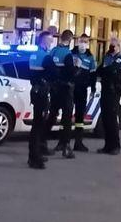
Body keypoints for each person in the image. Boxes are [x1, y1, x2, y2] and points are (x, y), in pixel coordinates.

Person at [95, 35, 121, 155]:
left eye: (113, 44)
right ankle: (107, 145)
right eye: (111, 44)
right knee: (105, 118)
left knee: (113, 119)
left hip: (114, 91)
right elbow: (100, 71)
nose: (111, 46)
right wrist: (105, 70)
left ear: (118, 46)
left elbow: (113, 72)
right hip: (105, 90)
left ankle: (115, 146)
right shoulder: (107, 57)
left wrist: (106, 70)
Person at [27, 30, 55, 170]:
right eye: (50, 40)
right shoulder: (46, 57)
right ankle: (35, 158)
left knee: (36, 125)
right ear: (44, 41)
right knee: (39, 126)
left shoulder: (33, 55)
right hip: (43, 93)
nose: (51, 43)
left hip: (35, 91)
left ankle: (34, 154)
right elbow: (53, 75)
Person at [48, 30, 78, 158]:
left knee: (52, 116)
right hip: (66, 90)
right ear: (70, 40)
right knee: (66, 119)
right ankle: (66, 146)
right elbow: (71, 73)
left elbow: (48, 68)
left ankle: (41, 142)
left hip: (54, 89)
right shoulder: (68, 54)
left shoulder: (53, 51)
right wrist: (78, 68)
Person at [70, 34, 96, 152]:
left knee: (80, 116)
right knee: (67, 114)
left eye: (85, 41)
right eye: (81, 41)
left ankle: (78, 142)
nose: (83, 43)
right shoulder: (71, 53)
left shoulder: (90, 57)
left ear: (88, 43)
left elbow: (93, 74)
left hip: (82, 89)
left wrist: (93, 88)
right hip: (70, 88)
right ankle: (63, 142)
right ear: (78, 41)